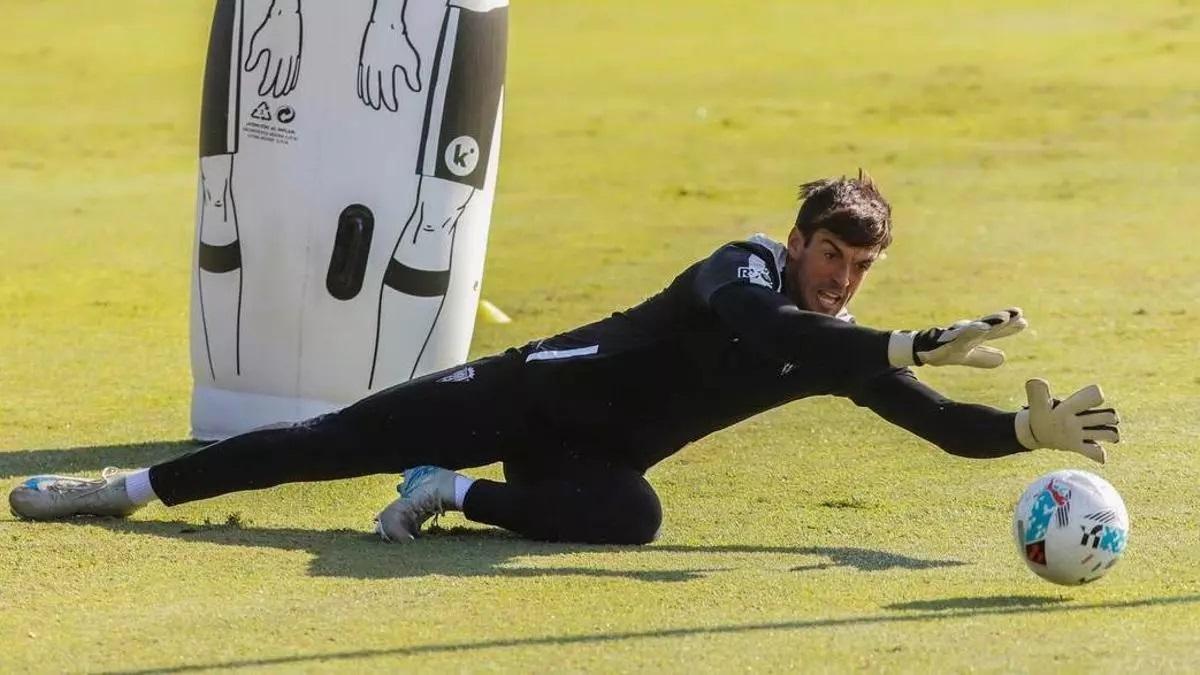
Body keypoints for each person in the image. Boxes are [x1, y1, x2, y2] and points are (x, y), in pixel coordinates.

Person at [8, 173, 1121, 545]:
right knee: (322, 448)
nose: (839, 277)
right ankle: (128, 490)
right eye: (829, 253)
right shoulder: (741, 269)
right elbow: (769, 333)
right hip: (524, 395)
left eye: (859, 266)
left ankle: (453, 495)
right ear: (798, 242)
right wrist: (901, 339)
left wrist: (1029, 433)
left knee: (633, 518)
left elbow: (937, 422)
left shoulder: (839, 345)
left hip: (581, 459)